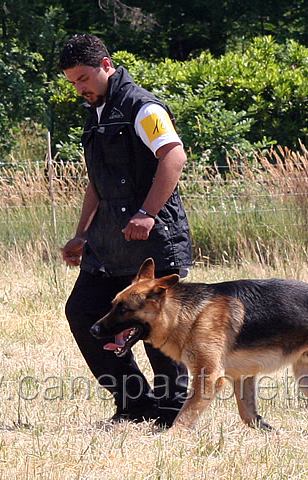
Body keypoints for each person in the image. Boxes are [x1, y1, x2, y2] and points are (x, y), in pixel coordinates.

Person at [58, 33, 193, 427]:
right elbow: (96, 183)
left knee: (159, 327)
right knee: (83, 313)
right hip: (107, 244)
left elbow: (174, 155)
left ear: (105, 64)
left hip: (152, 238)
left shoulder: (142, 106)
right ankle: (134, 403)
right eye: (72, 82)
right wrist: (82, 234)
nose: (79, 88)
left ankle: (172, 411)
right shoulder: (96, 112)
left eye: (83, 78)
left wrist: (148, 213)